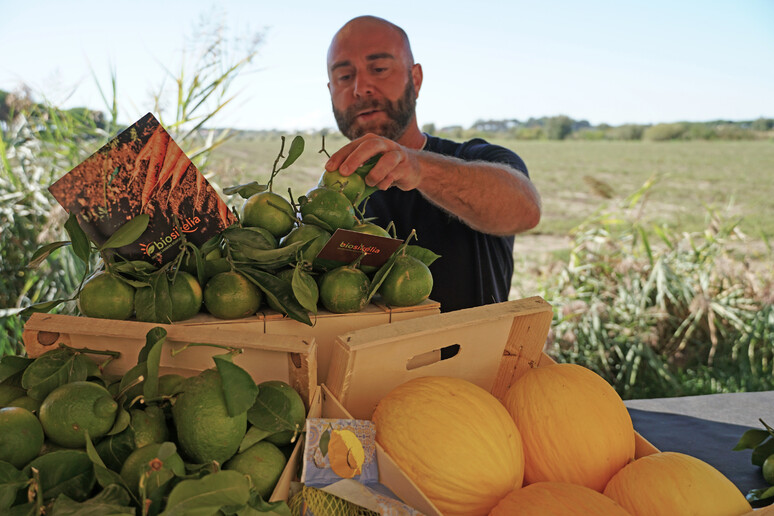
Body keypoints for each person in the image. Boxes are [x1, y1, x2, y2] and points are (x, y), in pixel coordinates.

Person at [324, 15, 541, 313]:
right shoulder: (328, 202)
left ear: (415, 79)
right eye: (345, 77)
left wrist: (418, 167)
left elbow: (525, 210)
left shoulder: (477, 160)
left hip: (475, 359)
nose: (361, 88)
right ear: (331, 92)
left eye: (379, 69)